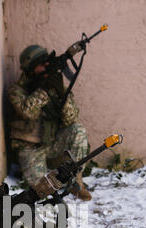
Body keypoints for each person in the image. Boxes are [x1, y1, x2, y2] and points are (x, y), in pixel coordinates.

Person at [7, 44, 92, 201]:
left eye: (47, 61)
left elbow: (71, 119)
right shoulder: (16, 91)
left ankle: (75, 182)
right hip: (30, 150)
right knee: (41, 192)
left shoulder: (53, 84)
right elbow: (28, 112)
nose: (46, 65)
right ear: (30, 68)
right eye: (41, 63)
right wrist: (44, 90)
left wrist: (61, 94)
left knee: (78, 130)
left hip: (53, 144)